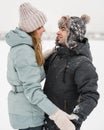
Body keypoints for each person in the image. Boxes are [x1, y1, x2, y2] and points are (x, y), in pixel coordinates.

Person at [5, 2, 75, 130]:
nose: (44, 29)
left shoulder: (23, 48)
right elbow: (32, 91)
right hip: (29, 116)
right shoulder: (24, 52)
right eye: (40, 27)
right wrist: (57, 114)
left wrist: (44, 56)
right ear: (32, 30)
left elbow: (27, 67)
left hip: (23, 112)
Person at [43, 14, 100, 130]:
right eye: (59, 28)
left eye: (63, 29)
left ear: (73, 35)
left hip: (64, 125)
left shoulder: (83, 63)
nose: (58, 32)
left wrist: (76, 118)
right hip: (45, 121)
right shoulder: (55, 56)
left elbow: (91, 95)